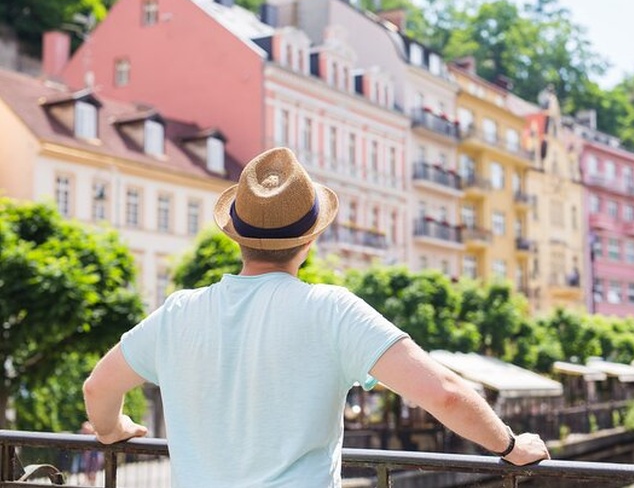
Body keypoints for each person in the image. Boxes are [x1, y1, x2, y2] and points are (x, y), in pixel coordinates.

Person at [83, 147, 549, 487]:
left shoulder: (179, 311)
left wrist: (113, 430)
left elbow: (98, 387)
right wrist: (509, 446)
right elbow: (443, 394)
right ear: (309, 241)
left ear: (236, 238)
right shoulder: (331, 310)